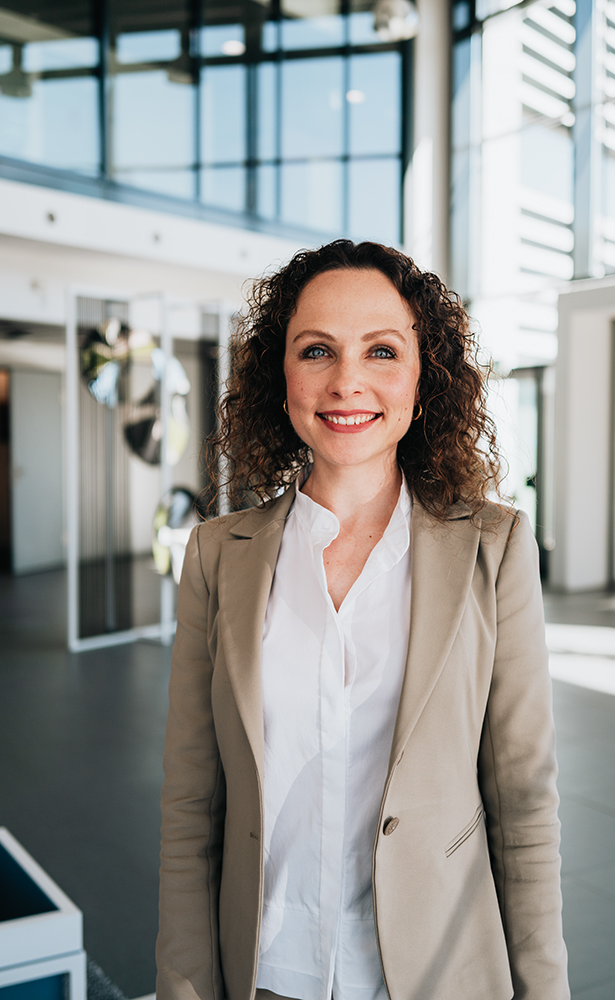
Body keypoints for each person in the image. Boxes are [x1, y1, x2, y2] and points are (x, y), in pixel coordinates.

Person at [157, 240, 568, 1000]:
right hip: (269, 972)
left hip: (437, 973)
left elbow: (523, 803)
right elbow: (190, 809)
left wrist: (544, 991)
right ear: (281, 380)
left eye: (382, 350)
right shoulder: (218, 556)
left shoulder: (495, 548)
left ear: (423, 382)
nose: (347, 381)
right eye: (317, 350)